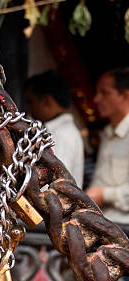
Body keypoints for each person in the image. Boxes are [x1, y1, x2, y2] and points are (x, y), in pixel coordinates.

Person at [26, 70, 84, 188]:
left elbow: (54, 183)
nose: (29, 109)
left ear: (47, 101)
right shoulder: (59, 132)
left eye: (31, 102)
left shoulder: (62, 135)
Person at [86, 68, 129, 224]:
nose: (96, 99)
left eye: (104, 93)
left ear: (125, 96)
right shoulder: (108, 131)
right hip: (103, 226)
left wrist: (104, 195)